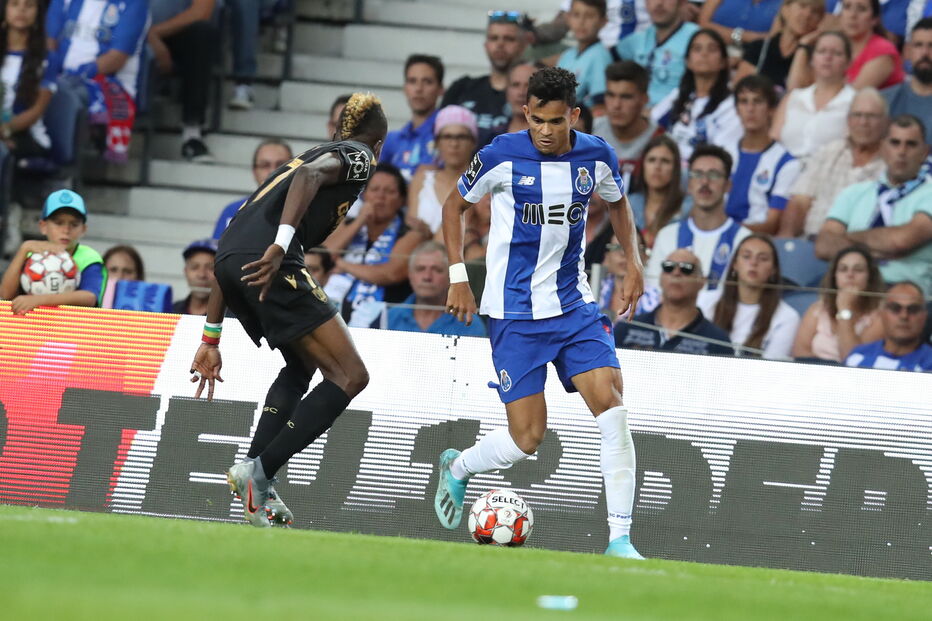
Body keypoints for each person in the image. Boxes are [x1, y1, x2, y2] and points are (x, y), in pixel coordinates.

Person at [434, 67, 647, 559]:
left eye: (556, 121)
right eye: (537, 121)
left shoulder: (596, 155)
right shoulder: (499, 156)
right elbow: (453, 208)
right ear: (525, 113)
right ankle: (460, 466)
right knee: (528, 437)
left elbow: (618, 205)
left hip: (573, 304)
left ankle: (619, 540)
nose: (546, 131)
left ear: (572, 115)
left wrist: (634, 262)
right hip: (512, 313)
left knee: (612, 406)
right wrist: (459, 276)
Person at [188, 93, 388, 528]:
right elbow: (312, 179)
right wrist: (281, 244)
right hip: (272, 258)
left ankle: (259, 475)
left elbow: (230, 239)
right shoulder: (358, 155)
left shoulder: (292, 163)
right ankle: (258, 472)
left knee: (301, 365)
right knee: (350, 375)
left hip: (232, 261)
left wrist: (211, 337)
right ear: (378, 142)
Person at [815, 114, 932, 294]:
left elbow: (900, 241)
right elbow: (823, 245)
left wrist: (848, 238)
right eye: (895, 143)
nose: (902, 151)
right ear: (882, 148)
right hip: (851, 287)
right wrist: (876, 251)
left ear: (925, 152)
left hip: (903, 292)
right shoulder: (853, 192)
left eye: (911, 144)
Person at [45, 0, 148, 163]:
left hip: (108, 81)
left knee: (66, 96)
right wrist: (53, 69)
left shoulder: (134, 4)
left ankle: (61, 165)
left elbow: (117, 58)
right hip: (60, 74)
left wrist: (80, 74)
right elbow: (49, 40)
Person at [778, 88, 888, 237]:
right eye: (857, 115)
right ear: (848, 120)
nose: (863, 122)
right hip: (810, 243)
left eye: (871, 116)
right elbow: (799, 202)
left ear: (886, 122)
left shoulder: (890, 164)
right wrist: (787, 242)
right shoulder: (829, 152)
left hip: (857, 248)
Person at [322, 163, 422, 327]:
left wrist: (342, 264)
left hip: (386, 319)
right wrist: (360, 221)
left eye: (389, 191)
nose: (380, 197)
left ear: (401, 200)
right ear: (364, 196)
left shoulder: (411, 232)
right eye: (374, 190)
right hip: (334, 315)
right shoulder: (348, 224)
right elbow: (322, 257)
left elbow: (391, 274)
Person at [646, 144, 752, 289]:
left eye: (713, 175)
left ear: (728, 185)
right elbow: (654, 290)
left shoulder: (744, 240)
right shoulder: (667, 236)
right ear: (689, 184)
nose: (705, 182)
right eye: (697, 174)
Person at [0, 189, 105, 313]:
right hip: (32, 327)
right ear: (43, 226)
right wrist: (24, 249)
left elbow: (89, 297)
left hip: (74, 327)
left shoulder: (89, 257)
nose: (66, 230)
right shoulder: (32, 255)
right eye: (58, 223)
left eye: (74, 224)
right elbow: (5, 295)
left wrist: (39, 300)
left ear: (83, 229)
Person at [699, 234, 801, 359]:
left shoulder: (787, 317)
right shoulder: (704, 301)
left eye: (763, 259)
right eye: (746, 256)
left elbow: (772, 367)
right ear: (735, 264)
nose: (753, 263)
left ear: (773, 270)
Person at [651, 29, 742, 167]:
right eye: (697, 49)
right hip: (667, 169)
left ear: (724, 62)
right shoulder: (679, 95)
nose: (704, 54)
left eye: (712, 49)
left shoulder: (730, 105)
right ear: (688, 61)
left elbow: (722, 155)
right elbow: (651, 124)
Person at [615, 248, 733, 354]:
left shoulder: (717, 341)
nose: (676, 273)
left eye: (686, 268)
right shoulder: (627, 328)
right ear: (660, 277)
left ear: (702, 281)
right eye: (668, 267)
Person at [723, 75, 800, 235]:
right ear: (737, 109)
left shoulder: (786, 163)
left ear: (771, 110)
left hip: (755, 241)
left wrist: (728, 232)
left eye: (757, 101)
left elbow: (772, 224)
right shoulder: (724, 153)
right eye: (744, 102)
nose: (750, 109)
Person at [441, 11, 528, 145]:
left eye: (509, 39)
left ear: (523, 46)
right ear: (486, 45)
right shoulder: (461, 89)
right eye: (494, 38)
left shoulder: (532, 94)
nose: (500, 44)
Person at [147, 0, 218, 162]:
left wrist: (154, 34)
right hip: (124, 31)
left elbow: (201, 13)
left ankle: (192, 132)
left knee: (202, 33)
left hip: (170, 34)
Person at [792, 245, 885, 361]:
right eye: (843, 269)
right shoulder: (818, 309)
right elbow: (800, 353)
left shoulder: (880, 316)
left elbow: (854, 360)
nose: (850, 275)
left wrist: (844, 309)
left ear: (870, 277)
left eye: (858, 270)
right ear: (834, 277)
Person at [775, 31, 857, 159]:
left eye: (837, 53)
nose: (828, 57)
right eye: (822, 51)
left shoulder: (855, 102)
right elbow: (774, 139)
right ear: (812, 59)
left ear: (848, 62)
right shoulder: (793, 97)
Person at [386, 241, 487, 337]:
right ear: (410, 275)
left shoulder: (468, 323)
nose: (427, 277)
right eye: (420, 269)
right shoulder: (389, 318)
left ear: (450, 277)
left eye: (436, 270)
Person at [408, 106, 478, 240]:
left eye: (461, 137)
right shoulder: (421, 179)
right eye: (447, 137)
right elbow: (412, 227)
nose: (454, 144)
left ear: (473, 142)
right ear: (437, 143)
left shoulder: (483, 181)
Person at [592, 61, 663, 191]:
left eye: (626, 97)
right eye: (610, 95)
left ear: (644, 99)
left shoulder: (660, 141)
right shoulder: (590, 132)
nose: (616, 105)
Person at [615, 0, 701, 107]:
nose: (659, 3)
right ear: (646, 3)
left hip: (675, 115)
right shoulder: (638, 39)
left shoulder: (696, 38)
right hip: (636, 115)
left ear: (682, 3)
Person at [0, 0, 54, 160]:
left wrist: (4, 130)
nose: (21, 10)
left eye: (29, 5)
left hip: (26, 136)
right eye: (15, 4)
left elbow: (36, 111)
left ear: (38, 13)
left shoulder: (48, 58)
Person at [379, 54, 445, 181]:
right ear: (405, 88)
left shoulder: (450, 136)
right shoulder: (391, 140)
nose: (419, 89)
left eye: (427, 82)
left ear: (441, 89)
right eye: (412, 81)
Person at [733, 0, 824, 90]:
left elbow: (798, 92)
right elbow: (739, 89)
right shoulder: (760, 47)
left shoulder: (817, 58)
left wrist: (803, 45)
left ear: (819, 21)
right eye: (802, 6)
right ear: (785, 9)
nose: (807, 15)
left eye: (815, 11)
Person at [213, 138, 293, 239]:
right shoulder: (233, 211)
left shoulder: (309, 210)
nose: (273, 171)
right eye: (264, 165)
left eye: (281, 164)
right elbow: (215, 250)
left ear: (295, 170)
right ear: (254, 172)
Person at [845, 281, 932, 371]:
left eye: (913, 309)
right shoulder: (858, 356)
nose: (904, 316)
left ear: (924, 316)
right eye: (895, 308)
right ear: (882, 313)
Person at [626, 134, 689, 249]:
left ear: (676, 168)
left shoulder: (688, 207)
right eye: (651, 160)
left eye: (665, 161)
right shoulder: (629, 203)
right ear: (643, 165)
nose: (657, 167)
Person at [882, 18, 932, 144]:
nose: (925, 53)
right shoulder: (885, 101)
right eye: (918, 45)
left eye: (931, 46)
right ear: (907, 51)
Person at [557, 0, 613, 111]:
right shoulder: (567, 56)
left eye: (589, 16)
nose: (581, 22)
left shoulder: (600, 56)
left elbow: (600, 106)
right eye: (576, 15)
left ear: (603, 21)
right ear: (568, 18)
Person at [839, 0, 905, 89]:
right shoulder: (838, 46)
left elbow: (852, 96)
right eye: (847, 7)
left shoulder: (882, 50)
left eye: (861, 9)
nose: (852, 15)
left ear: (874, 19)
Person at [698, 0, 784, 48]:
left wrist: (724, 33)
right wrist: (740, 36)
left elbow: (772, 39)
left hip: (750, 59)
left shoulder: (783, 4)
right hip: (711, 48)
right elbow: (703, 24)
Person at [489, 62, 535, 138]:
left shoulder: (550, 136)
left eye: (528, 85)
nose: (521, 92)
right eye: (515, 85)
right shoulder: (493, 136)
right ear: (506, 91)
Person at [172, 238, 217, 315]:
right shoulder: (170, 312)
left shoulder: (233, 317)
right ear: (185, 271)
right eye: (194, 267)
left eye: (211, 268)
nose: (202, 275)